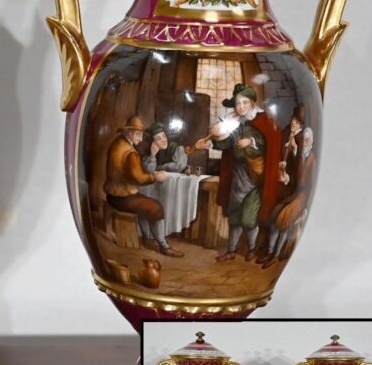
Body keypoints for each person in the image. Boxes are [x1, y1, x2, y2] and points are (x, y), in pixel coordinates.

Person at [194, 83, 281, 263]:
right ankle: (231, 251)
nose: (241, 107)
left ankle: (251, 248)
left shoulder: (263, 120)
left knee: (249, 219)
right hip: (237, 176)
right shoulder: (233, 122)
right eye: (237, 103)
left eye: (244, 103)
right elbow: (225, 143)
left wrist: (251, 141)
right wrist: (208, 144)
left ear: (252, 103)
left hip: (255, 177)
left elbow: (268, 142)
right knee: (234, 216)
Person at [104, 115, 182, 258]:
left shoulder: (117, 144)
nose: (140, 139)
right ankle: (164, 246)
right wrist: (155, 177)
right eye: (138, 135)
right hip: (123, 198)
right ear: (129, 133)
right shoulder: (130, 153)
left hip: (112, 195)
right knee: (156, 208)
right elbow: (139, 178)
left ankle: (147, 238)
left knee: (146, 203)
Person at [259, 127, 317, 268]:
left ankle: (276, 255)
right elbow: (293, 178)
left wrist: (307, 209)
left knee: (284, 219)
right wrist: (286, 179)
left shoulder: (312, 160)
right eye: (303, 140)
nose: (305, 143)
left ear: (311, 143)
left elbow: (312, 186)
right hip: (294, 195)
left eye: (307, 140)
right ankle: (270, 252)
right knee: (274, 214)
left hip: (303, 197)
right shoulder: (299, 157)